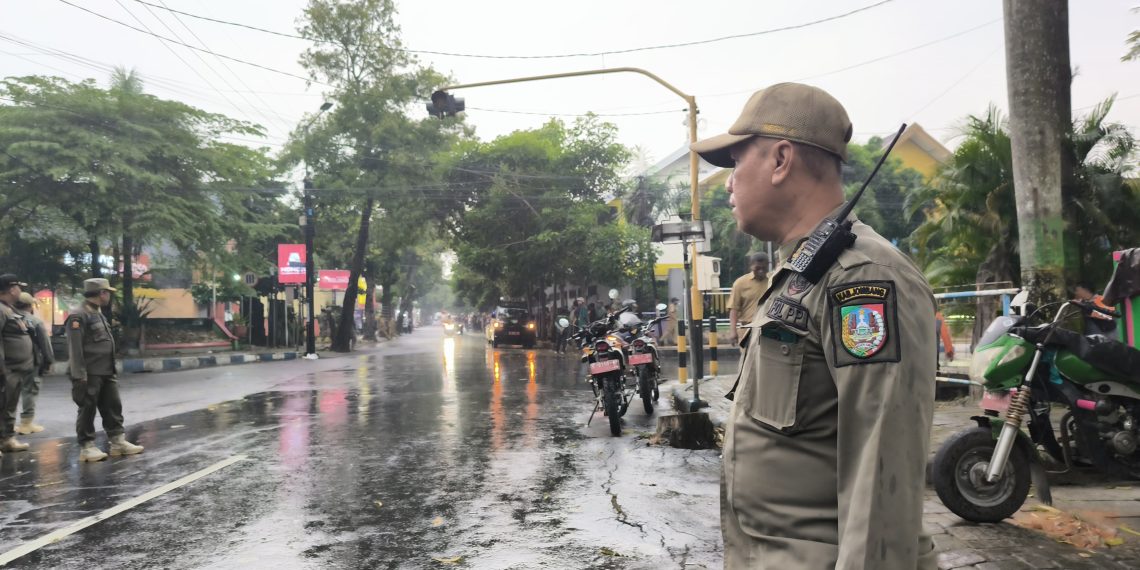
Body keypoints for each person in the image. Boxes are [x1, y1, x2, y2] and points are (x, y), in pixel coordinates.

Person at [691, 82, 937, 569]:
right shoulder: (798, 275)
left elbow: (882, 476)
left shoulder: (864, 278)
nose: (729, 184)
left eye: (737, 163)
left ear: (781, 160)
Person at [66, 278, 144, 462]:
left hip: (106, 369)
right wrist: (79, 375)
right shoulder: (78, 315)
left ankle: (118, 441)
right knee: (88, 408)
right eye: (107, 292)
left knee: (113, 405)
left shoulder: (98, 313)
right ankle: (87, 447)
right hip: (90, 371)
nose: (109, 296)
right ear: (101, 293)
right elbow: (74, 349)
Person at [0, 274, 34, 456]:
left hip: (17, 368)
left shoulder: (10, 309)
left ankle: (7, 439)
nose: (21, 291)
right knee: (2, 404)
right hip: (7, 369)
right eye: (19, 287)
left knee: (9, 405)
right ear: (12, 289)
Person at [14, 292, 53, 434]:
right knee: (29, 390)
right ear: (30, 306)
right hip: (31, 361)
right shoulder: (34, 321)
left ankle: (8, 424)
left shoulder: (8, 317)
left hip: (9, 362)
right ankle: (26, 423)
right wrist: (48, 361)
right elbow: (45, 344)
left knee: (9, 392)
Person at [728, 252, 771, 345]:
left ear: (768, 265)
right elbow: (734, 308)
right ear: (751, 266)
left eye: (764, 268)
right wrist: (733, 331)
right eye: (757, 268)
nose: (761, 271)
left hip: (769, 331)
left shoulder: (774, 280)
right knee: (748, 359)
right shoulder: (740, 283)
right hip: (747, 330)